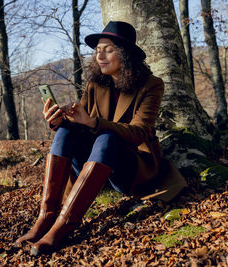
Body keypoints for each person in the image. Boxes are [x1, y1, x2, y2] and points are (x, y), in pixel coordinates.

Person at [14, 21, 187, 255]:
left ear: (125, 55)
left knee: (108, 137)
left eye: (108, 50)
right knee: (67, 130)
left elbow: (139, 132)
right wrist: (58, 120)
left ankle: (64, 226)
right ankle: (47, 216)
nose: (100, 56)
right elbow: (79, 124)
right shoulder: (96, 83)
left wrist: (93, 122)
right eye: (97, 51)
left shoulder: (151, 85)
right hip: (94, 166)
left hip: (131, 167)